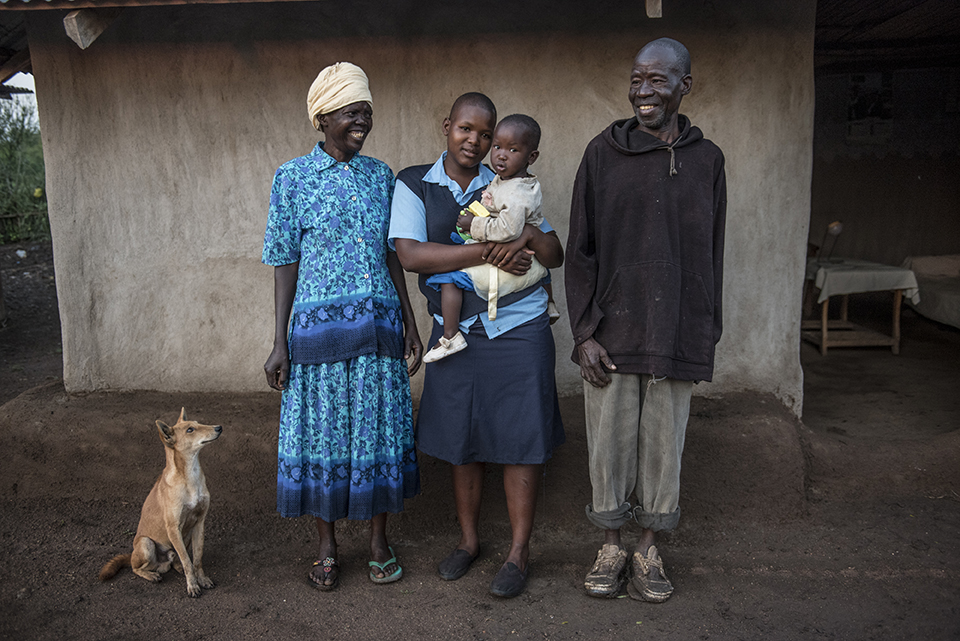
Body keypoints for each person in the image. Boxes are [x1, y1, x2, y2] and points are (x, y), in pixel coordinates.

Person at [565, 38, 726, 603]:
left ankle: (649, 548)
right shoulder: (602, 153)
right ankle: (610, 544)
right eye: (637, 79)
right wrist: (584, 331)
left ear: (686, 84)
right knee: (607, 444)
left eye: (658, 80)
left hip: (675, 329)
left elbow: (712, 250)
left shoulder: (707, 160)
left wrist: (705, 329)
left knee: (664, 444)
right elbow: (580, 247)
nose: (643, 91)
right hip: (611, 332)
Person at [389, 92, 565, 598]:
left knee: (521, 439)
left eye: (486, 136)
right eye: (466, 130)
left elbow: (552, 253)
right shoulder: (414, 183)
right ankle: (468, 542)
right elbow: (412, 255)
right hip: (457, 333)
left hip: (521, 329)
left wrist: (527, 233)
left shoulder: (507, 182)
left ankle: (517, 552)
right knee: (462, 438)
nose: (477, 142)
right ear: (447, 127)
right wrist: (489, 248)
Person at [261, 62, 423, 592]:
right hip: (316, 336)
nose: (363, 121)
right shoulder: (292, 177)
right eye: (354, 112)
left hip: (378, 330)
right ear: (323, 116)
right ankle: (327, 546)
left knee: (378, 431)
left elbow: (393, 253)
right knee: (324, 436)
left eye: (367, 112)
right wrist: (279, 341)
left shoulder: (382, 176)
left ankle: (378, 542)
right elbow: (285, 260)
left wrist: (410, 320)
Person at [422, 113, 547, 362]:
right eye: (498, 147)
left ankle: (450, 336)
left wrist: (474, 224)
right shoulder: (508, 181)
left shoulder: (517, 192)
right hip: (504, 251)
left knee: (450, 279)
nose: (501, 154)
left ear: (531, 157)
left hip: (508, 266)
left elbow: (508, 230)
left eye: (513, 150)